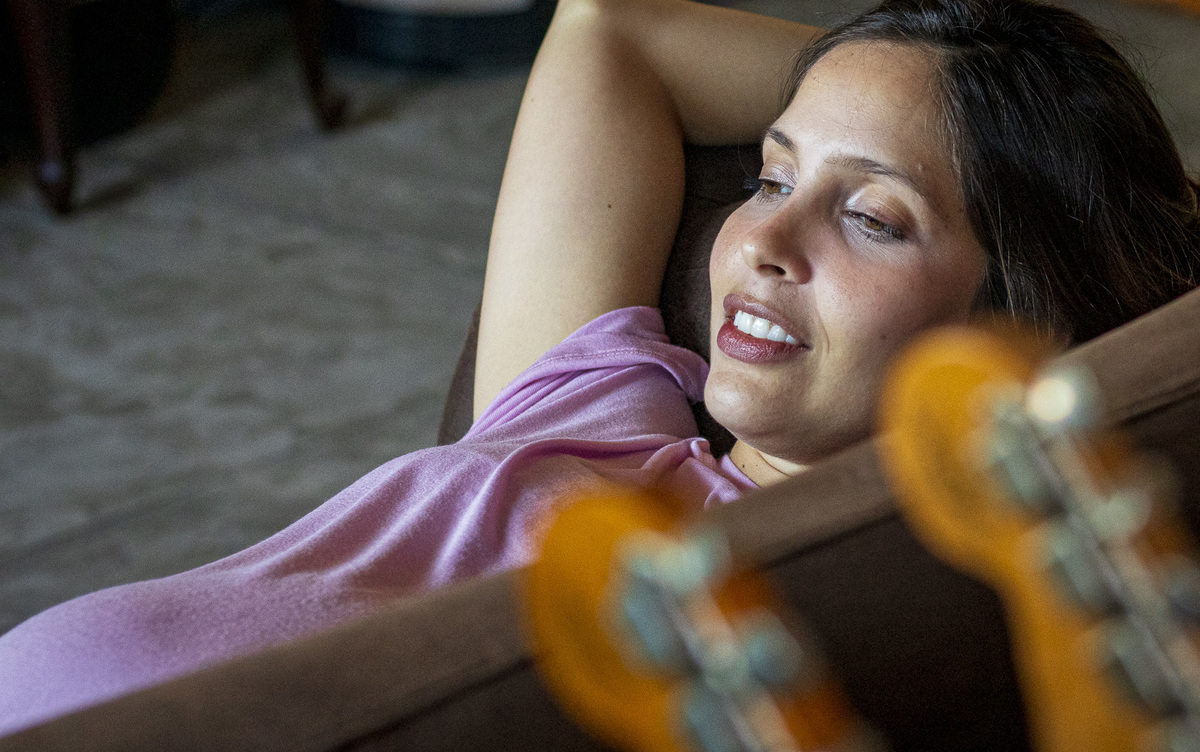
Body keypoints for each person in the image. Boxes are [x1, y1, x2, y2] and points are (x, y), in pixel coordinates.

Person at [1, 0, 1197, 737]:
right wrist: (926, 71)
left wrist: (1074, 169)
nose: (762, 241)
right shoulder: (604, 402)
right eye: (772, 176)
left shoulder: (769, 640)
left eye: (872, 218)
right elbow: (610, 28)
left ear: (1022, 317)